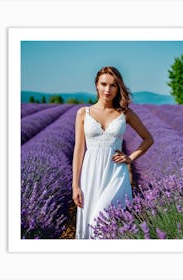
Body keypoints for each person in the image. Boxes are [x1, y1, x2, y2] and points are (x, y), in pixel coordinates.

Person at [72, 66, 154, 239]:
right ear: (96, 85)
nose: (107, 90)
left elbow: (148, 139)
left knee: (100, 222)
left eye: (113, 85)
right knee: (92, 226)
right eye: (103, 84)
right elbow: (79, 150)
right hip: (90, 175)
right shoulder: (83, 114)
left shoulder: (125, 113)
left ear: (119, 88)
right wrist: (75, 186)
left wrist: (130, 158)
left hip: (116, 174)